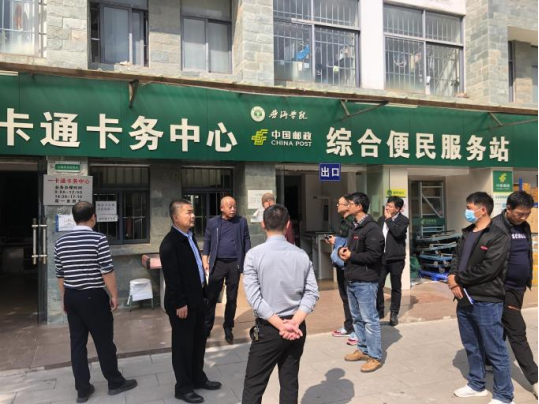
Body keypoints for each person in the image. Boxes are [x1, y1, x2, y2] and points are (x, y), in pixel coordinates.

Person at [55, 202, 137, 403]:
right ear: (93, 216)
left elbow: (60, 274)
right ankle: (115, 382)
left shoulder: (61, 242)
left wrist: (64, 298)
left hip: (72, 296)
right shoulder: (98, 239)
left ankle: (83, 390)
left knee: (77, 344)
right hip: (93, 296)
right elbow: (106, 270)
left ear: (74, 218)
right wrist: (114, 295)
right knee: (104, 341)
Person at [242, 204, 319, 403]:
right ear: (288, 225)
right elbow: (312, 293)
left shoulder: (253, 255)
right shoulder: (301, 254)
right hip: (296, 327)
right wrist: (294, 322)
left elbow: (254, 299)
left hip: (269, 329)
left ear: (262, 224)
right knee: (289, 381)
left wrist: (281, 325)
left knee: (254, 385)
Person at [448, 192, 515, 404]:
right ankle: (476, 385)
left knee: (495, 349)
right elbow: (456, 257)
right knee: (472, 345)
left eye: (469, 208)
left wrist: (458, 279)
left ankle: (504, 395)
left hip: (486, 299)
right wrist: (452, 277)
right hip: (464, 298)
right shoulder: (467, 232)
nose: (467, 211)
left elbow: (489, 268)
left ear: (482, 209)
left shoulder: (498, 235)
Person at [160, 200, 222, 404]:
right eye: (188, 212)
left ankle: (197, 378)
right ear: (176, 217)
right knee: (183, 347)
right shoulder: (170, 243)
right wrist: (180, 303)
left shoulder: (189, 237)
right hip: (182, 305)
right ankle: (183, 388)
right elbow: (172, 278)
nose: (193, 215)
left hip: (197, 300)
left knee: (198, 343)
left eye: (193, 212)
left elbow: (195, 268)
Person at [491, 191, 538, 399]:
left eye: (527, 214)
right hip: (503, 288)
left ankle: (488, 360)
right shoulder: (494, 226)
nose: (523, 217)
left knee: (502, 325)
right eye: (520, 213)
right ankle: (535, 378)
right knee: (518, 331)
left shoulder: (524, 226)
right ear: (508, 208)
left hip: (519, 287)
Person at [339, 192, 385, 373]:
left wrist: (352, 255)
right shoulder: (354, 226)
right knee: (357, 318)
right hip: (352, 278)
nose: (347, 206)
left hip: (366, 281)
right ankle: (363, 349)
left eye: (350, 203)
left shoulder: (372, 229)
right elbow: (354, 250)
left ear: (359, 206)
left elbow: (374, 255)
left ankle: (375, 356)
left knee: (369, 319)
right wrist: (345, 252)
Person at [203, 196, 251, 344]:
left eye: (234, 206)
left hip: (234, 264)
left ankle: (228, 327)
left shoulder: (241, 221)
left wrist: (248, 259)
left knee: (231, 298)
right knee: (211, 296)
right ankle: (207, 327)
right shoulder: (213, 222)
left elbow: (246, 240)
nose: (233, 209)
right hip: (217, 263)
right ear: (222, 208)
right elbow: (207, 241)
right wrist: (205, 259)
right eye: (230, 206)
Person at [377, 196, 410, 326]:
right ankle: (379, 311)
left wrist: (388, 219)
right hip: (382, 258)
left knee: (396, 287)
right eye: (387, 205)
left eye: (390, 206)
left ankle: (394, 313)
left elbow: (397, 232)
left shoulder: (403, 220)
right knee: (378, 285)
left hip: (396, 259)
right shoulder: (381, 220)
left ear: (398, 208)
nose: (387, 208)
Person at [327, 194, 356, 340]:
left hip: (348, 264)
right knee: (345, 296)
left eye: (340, 203)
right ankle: (349, 326)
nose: (337, 205)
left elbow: (350, 241)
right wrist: (336, 240)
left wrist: (337, 241)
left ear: (348, 206)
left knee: (350, 297)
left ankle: (355, 329)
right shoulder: (344, 221)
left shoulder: (352, 222)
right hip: (341, 263)